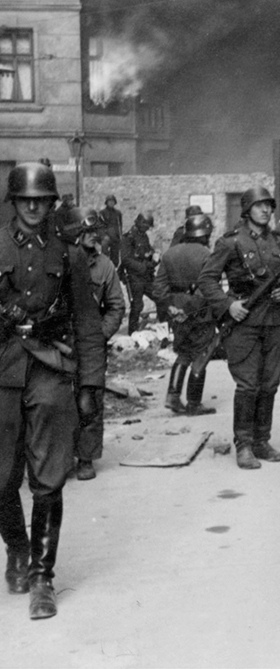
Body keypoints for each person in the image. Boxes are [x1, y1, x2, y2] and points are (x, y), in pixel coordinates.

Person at [0, 162, 105, 619]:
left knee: (48, 477)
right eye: (26, 199)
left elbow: (88, 324)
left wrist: (90, 384)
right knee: (2, 477)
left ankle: (43, 577)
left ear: (50, 203)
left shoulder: (70, 255)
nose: (33, 207)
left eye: (41, 200)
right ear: (14, 202)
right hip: (3, 368)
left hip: (50, 368)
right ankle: (18, 548)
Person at [198, 186, 280, 469]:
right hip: (245, 323)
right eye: (259, 205)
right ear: (246, 210)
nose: (266, 210)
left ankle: (262, 441)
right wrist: (228, 304)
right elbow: (206, 280)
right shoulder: (230, 242)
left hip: (277, 320)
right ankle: (244, 444)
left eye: (269, 205)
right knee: (248, 385)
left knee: (270, 384)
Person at [72, 209, 126, 481]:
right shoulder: (60, 258)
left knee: (89, 401)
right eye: (88, 232)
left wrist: (100, 333)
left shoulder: (104, 266)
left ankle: (86, 458)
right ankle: (58, 457)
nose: (95, 236)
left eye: (96, 232)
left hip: (91, 343)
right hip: (59, 339)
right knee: (57, 401)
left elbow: (116, 305)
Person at [154, 213, 218, 416]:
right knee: (201, 354)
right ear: (205, 234)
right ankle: (194, 403)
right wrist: (190, 308)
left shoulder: (169, 254)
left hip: (175, 311)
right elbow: (208, 288)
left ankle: (172, 396)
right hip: (201, 312)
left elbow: (158, 288)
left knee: (183, 353)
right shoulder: (207, 255)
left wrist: (171, 308)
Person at [121, 211, 159, 334]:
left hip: (147, 276)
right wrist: (143, 267)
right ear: (140, 223)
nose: (147, 229)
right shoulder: (128, 238)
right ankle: (132, 333)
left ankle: (162, 327)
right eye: (146, 226)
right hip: (135, 277)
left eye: (148, 227)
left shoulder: (144, 236)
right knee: (137, 306)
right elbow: (126, 260)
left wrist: (154, 257)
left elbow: (147, 252)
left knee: (160, 296)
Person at [99, 195, 124, 271]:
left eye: (113, 201)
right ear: (106, 202)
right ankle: (104, 264)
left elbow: (120, 225)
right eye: (109, 201)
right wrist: (104, 234)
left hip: (115, 236)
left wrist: (120, 236)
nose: (111, 203)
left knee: (115, 253)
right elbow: (100, 226)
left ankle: (114, 267)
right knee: (105, 244)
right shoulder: (102, 213)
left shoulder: (118, 213)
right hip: (106, 235)